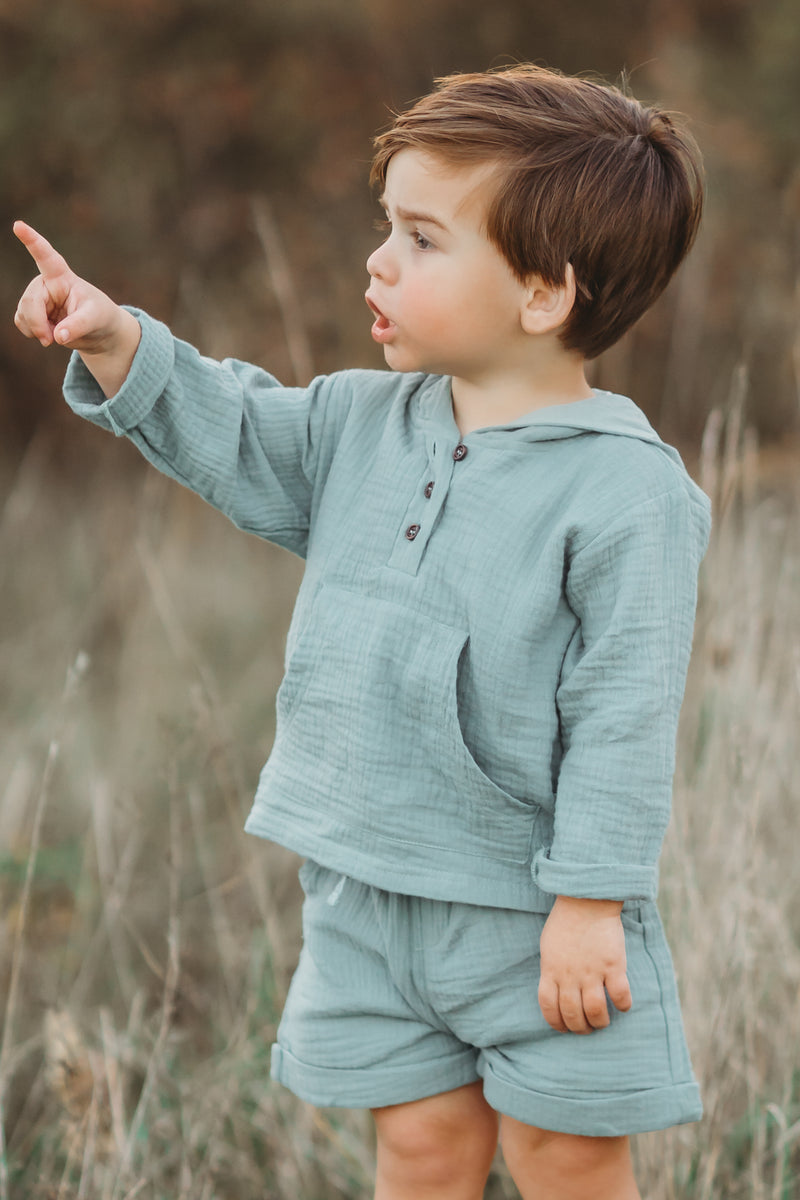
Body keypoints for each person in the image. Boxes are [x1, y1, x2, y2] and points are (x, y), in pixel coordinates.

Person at [14, 64, 710, 1200]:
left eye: (422, 240)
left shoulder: (624, 496)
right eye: (384, 226)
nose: (377, 260)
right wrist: (117, 341)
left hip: (533, 914)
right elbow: (233, 430)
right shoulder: (354, 422)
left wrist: (590, 902)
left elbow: (623, 713)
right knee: (420, 1154)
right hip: (364, 895)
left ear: (542, 293)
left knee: (566, 1160)